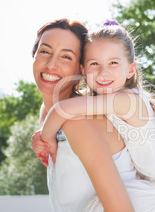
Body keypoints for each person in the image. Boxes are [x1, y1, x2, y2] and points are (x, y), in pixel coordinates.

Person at [37, 20, 155, 211]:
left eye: (113, 63)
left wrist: (45, 138)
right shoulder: (101, 100)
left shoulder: (128, 100)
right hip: (152, 189)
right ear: (83, 70)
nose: (103, 72)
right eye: (94, 63)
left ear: (131, 69)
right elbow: (57, 107)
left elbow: (60, 109)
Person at [30, 18, 134, 211]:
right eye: (44, 51)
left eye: (66, 57)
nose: (52, 65)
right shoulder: (47, 114)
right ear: (34, 55)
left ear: (81, 69)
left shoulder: (78, 121)